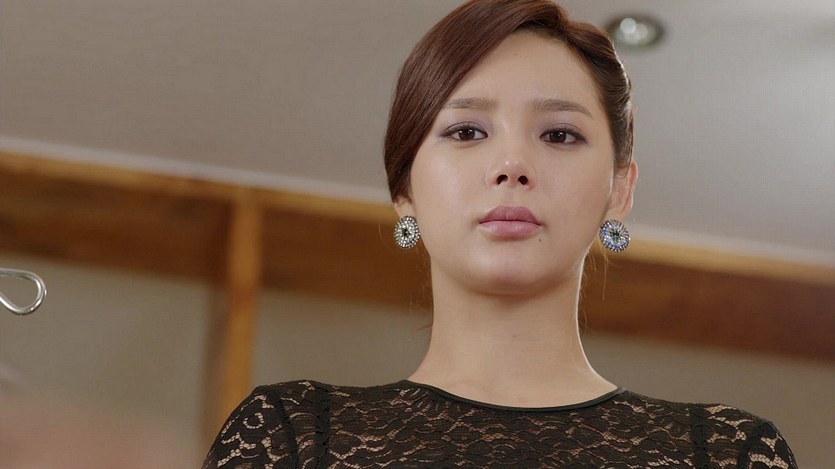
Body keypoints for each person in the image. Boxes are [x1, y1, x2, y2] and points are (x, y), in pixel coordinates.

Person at [203, 1, 797, 467]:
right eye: (466, 132)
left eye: (559, 135)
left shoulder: (728, 454)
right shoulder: (291, 436)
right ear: (404, 187)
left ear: (620, 190)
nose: (512, 165)